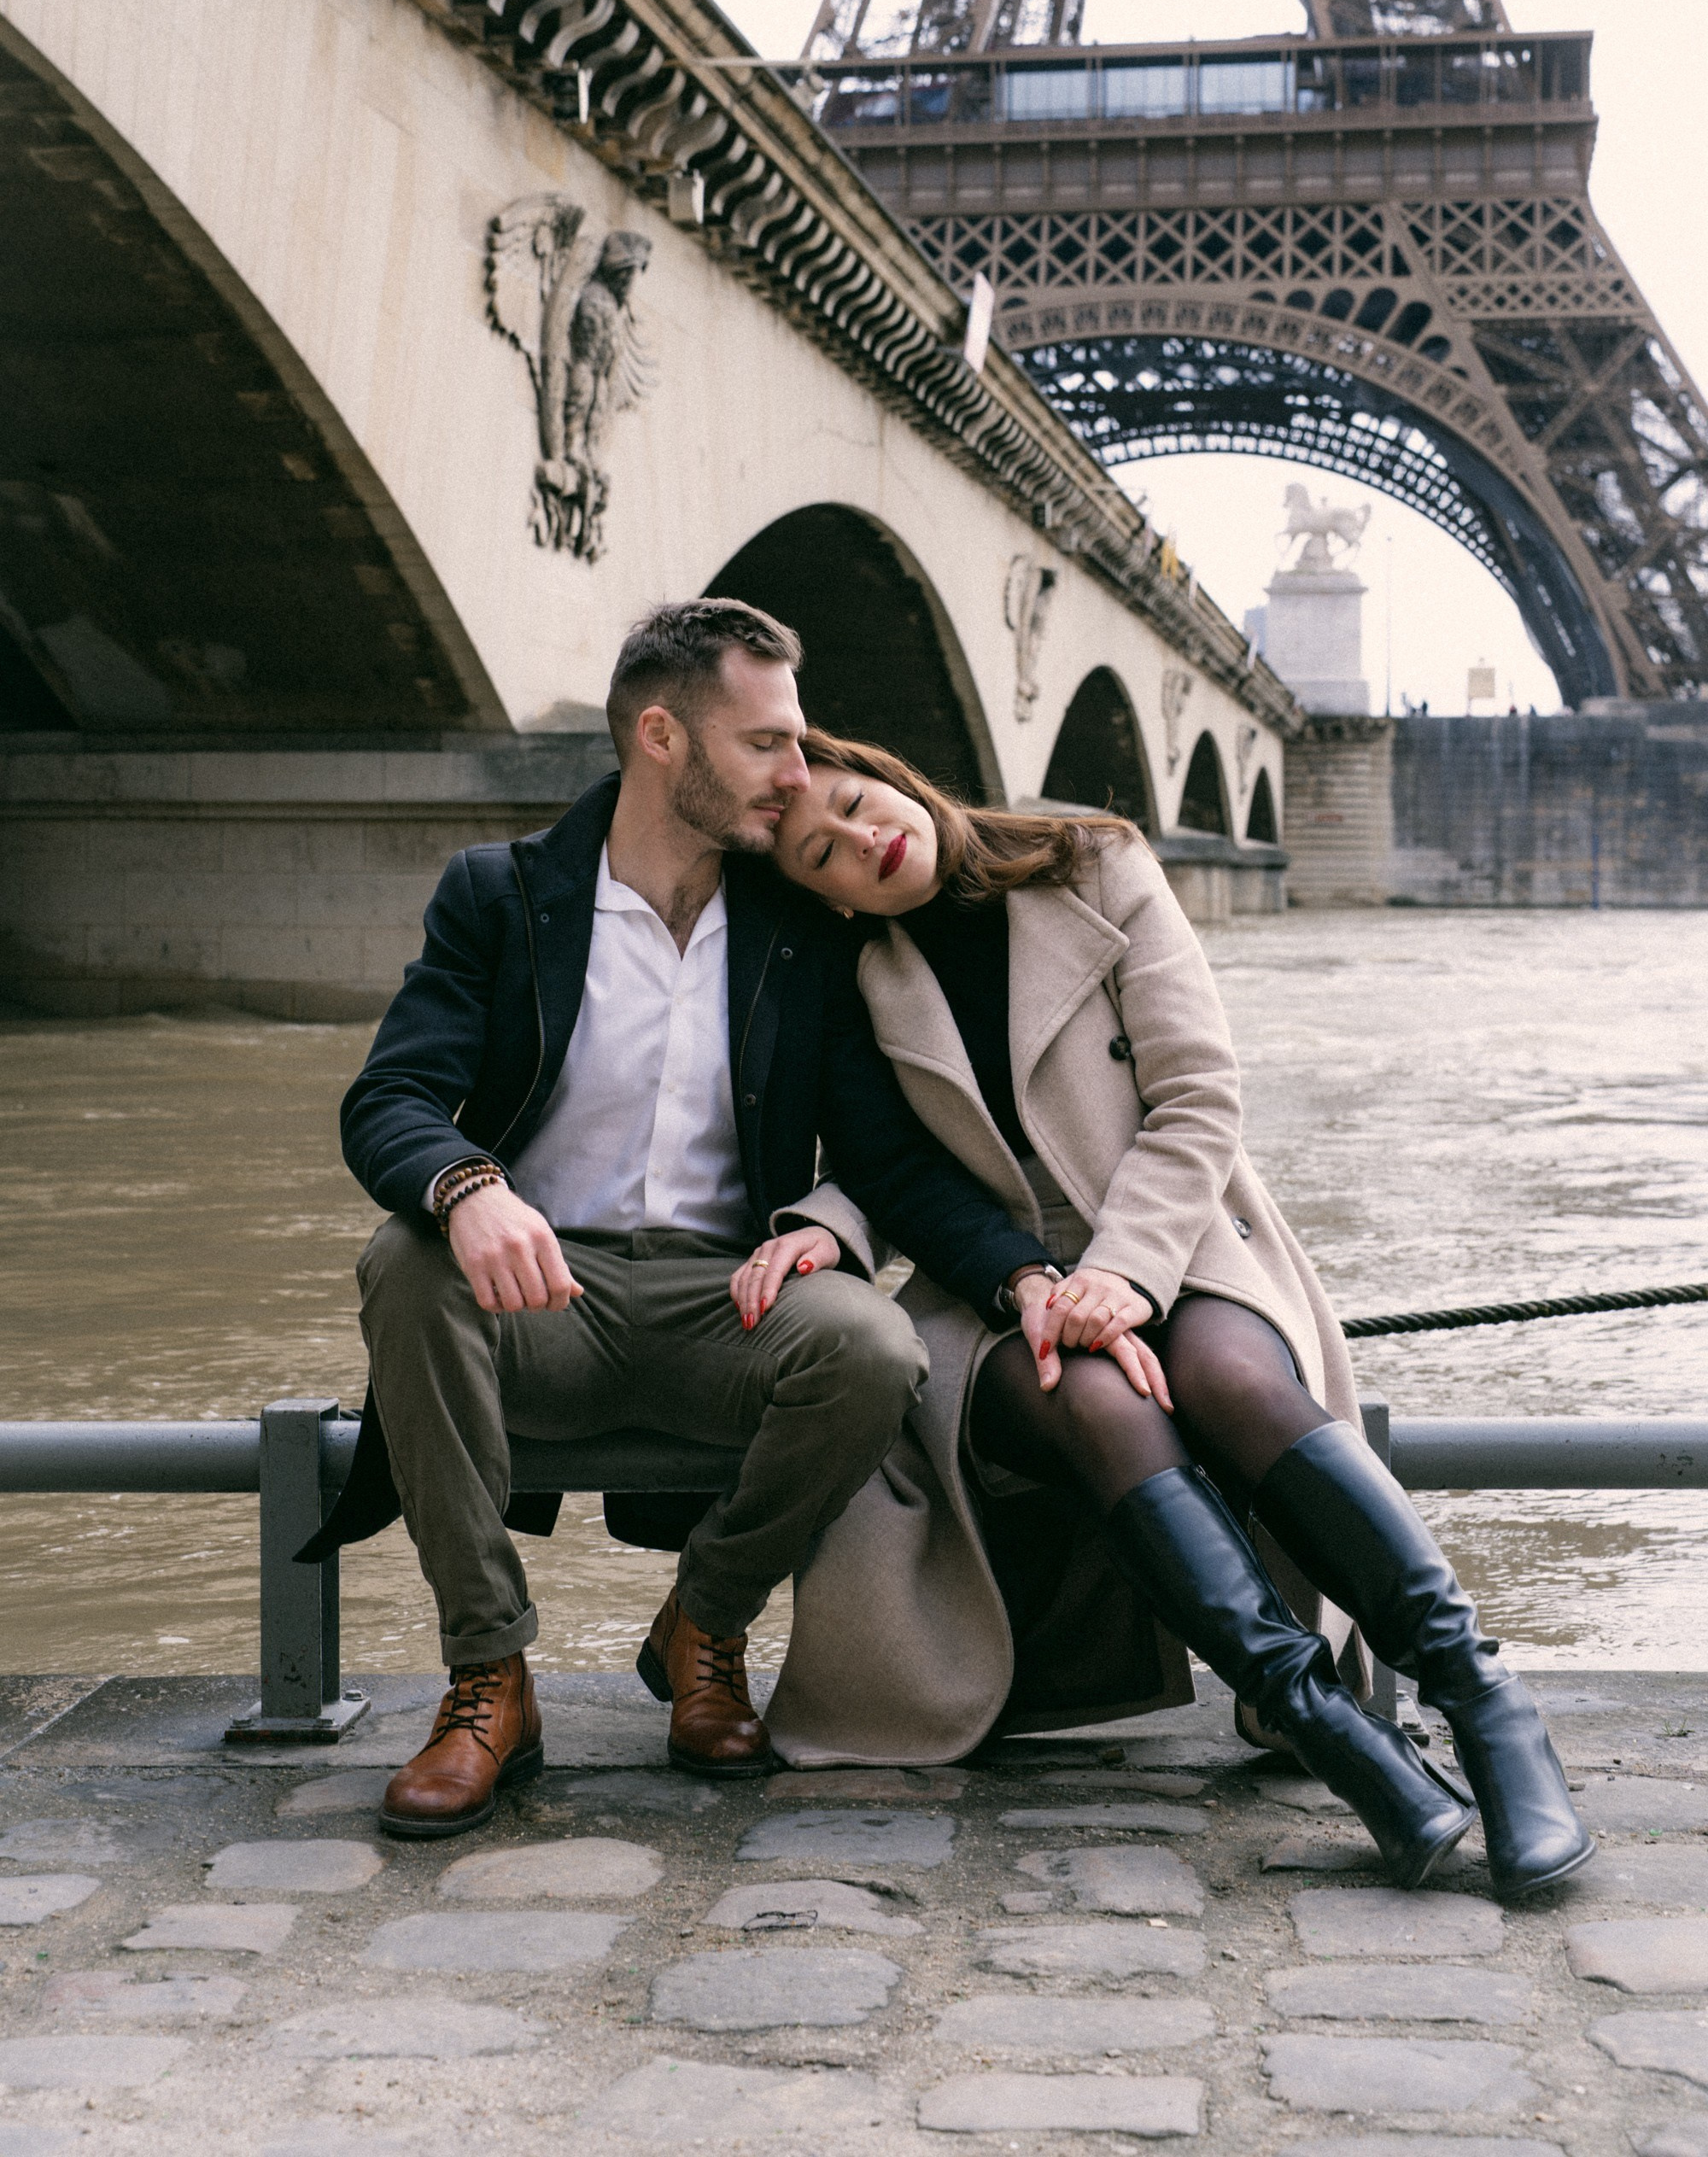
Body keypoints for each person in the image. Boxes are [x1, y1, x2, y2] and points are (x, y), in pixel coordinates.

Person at [765, 730, 1592, 1903]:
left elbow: (1199, 1095)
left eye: (856, 804)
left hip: (1174, 1228)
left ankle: (1482, 1698)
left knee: (1232, 1380)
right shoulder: (854, 979)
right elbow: (896, 1170)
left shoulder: (1094, 864)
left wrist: (1125, 1274)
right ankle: (1330, 1731)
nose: (863, 841)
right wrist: (1025, 1282)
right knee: (1095, 1398)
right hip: (995, 1286)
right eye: (823, 856)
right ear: (828, 901)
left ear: (894, 777)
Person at [315, 601, 1050, 1835]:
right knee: (405, 1259)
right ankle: (489, 1680)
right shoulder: (501, 895)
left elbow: (888, 1158)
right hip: (541, 1300)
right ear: (663, 738)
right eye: (766, 744)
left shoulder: (800, 929)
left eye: (797, 743)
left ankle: (705, 1623)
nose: (798, 775)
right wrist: (469, 1187)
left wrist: (1018, 1275)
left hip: (729, 1303)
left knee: (872, 1348)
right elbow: (388, 1098)